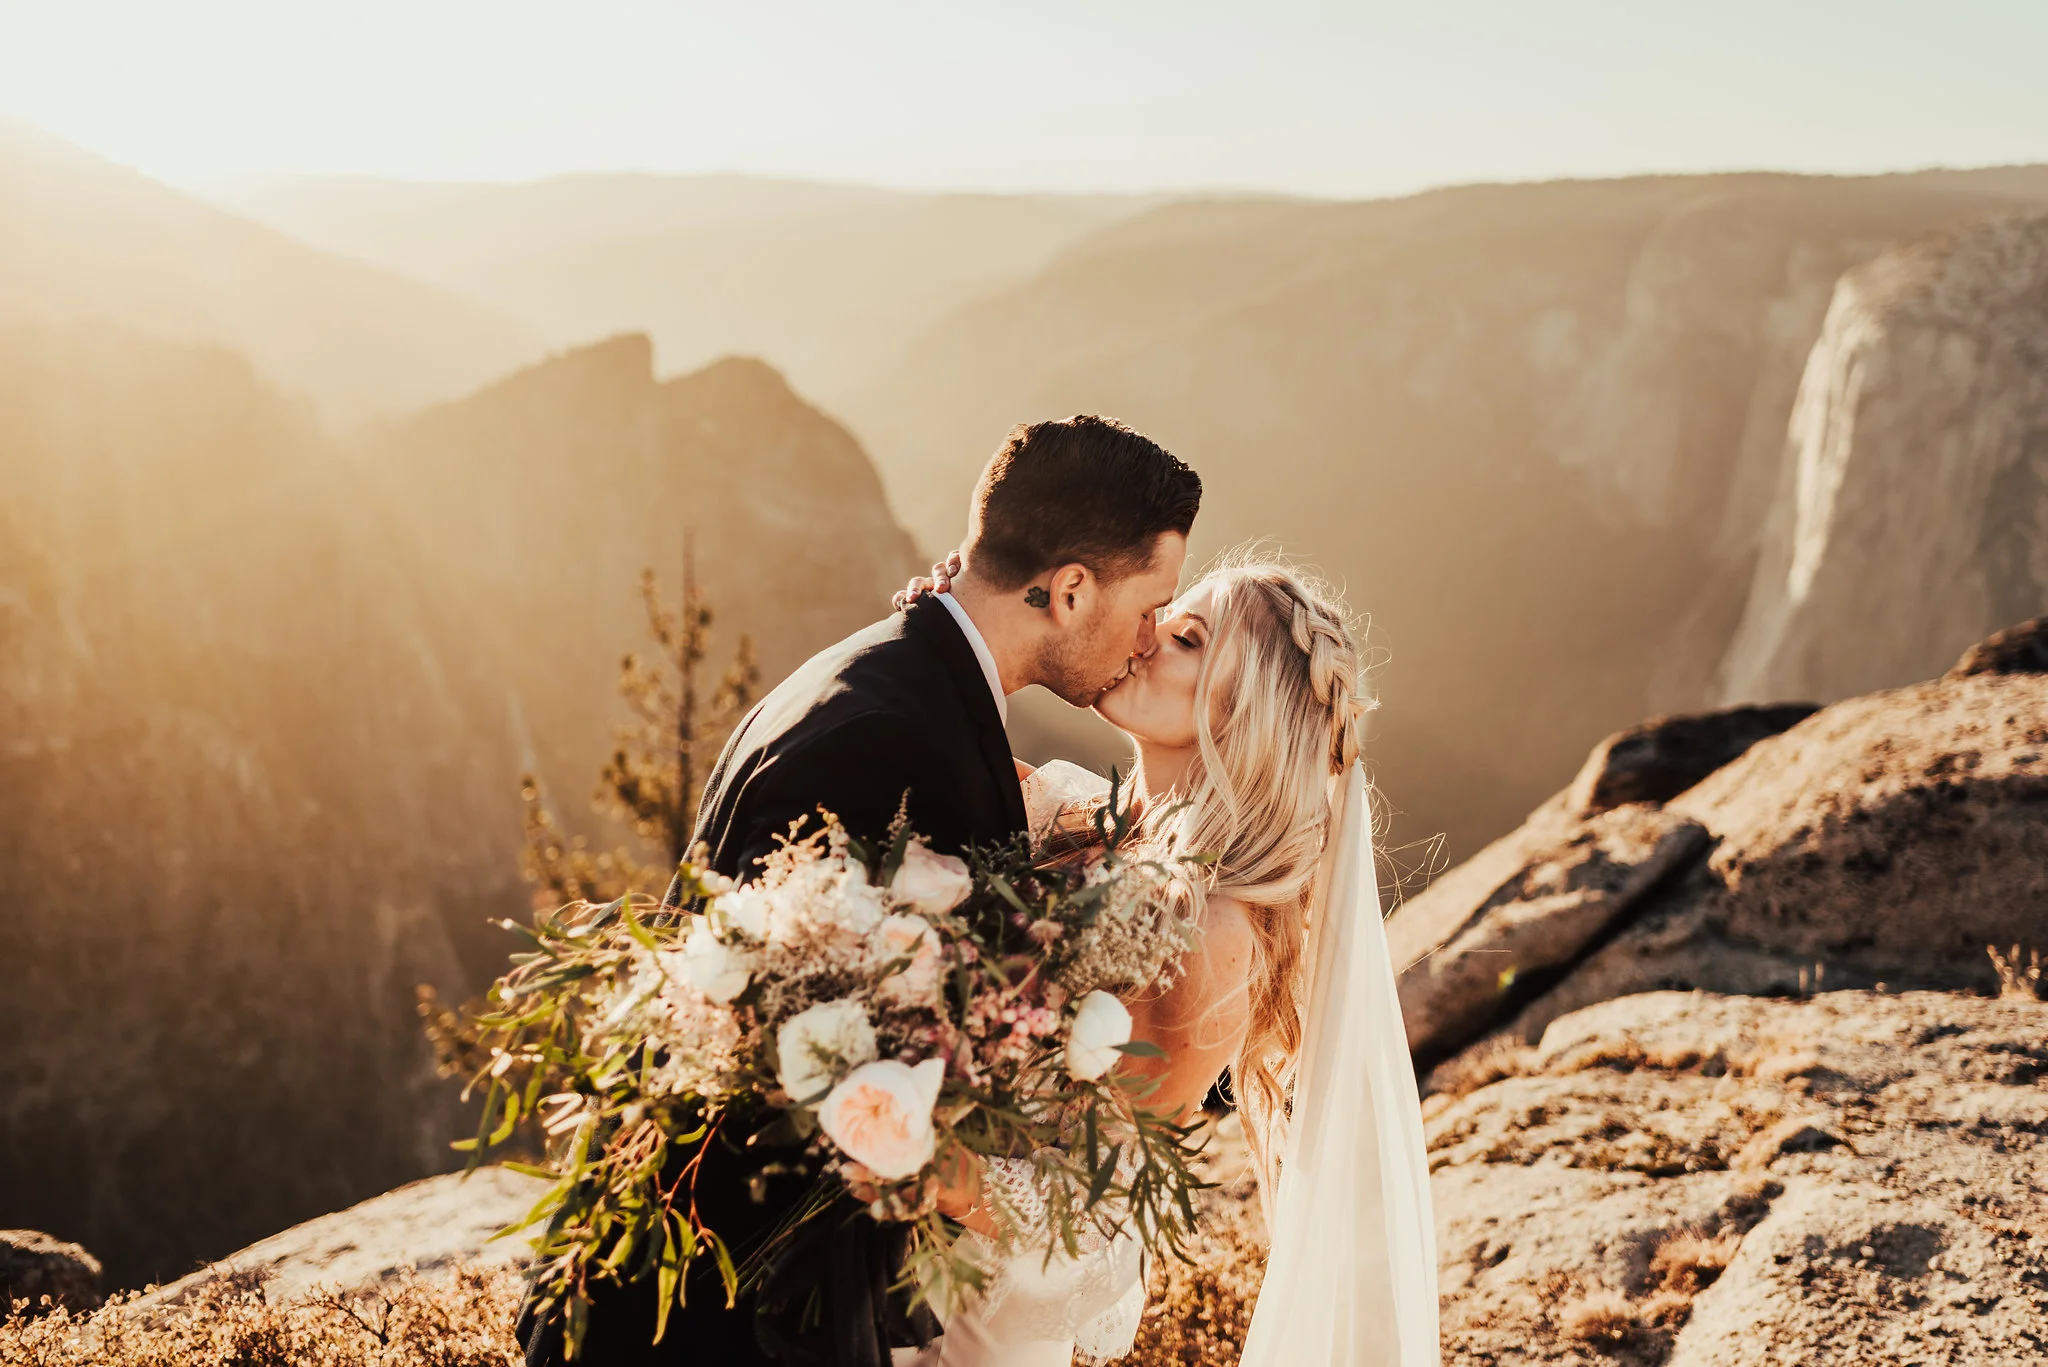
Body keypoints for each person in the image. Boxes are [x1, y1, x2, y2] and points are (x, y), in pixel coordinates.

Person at [516, 414, 1200, 1367]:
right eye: (1150, 602)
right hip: (711, 1315)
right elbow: (776, 1075)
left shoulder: (886, 680)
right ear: (1073, 589)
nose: (1151, 635)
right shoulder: (893, 740)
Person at [894, 550, 1439, 1367]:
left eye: (1185, 637)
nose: (1142, 637)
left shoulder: (1217, 935)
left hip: (974, 1325)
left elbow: (1087, 1211)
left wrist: (911, 1154)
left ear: (1242, 709)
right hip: (886, 1262)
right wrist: (940, 633)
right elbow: (904, 757)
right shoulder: (1071, 816)